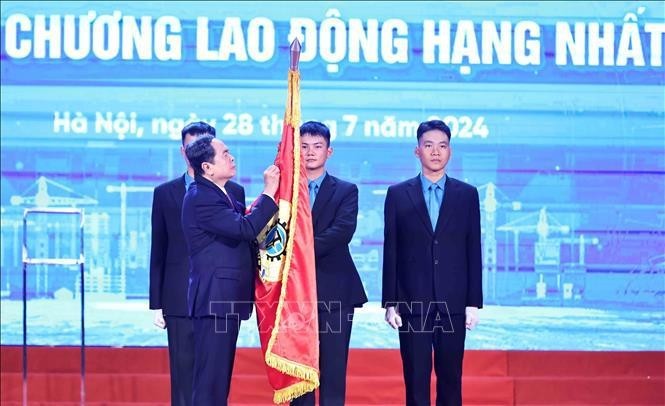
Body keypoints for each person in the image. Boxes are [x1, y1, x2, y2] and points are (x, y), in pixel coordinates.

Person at [382, 119, 482, 406]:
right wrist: (391, 302)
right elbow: (392, 250)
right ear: (417, 151)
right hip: (413, 303)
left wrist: (473, 302)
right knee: (415, 381)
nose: (435, 152)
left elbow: (472, 248)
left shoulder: (467, 195)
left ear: (450, 152)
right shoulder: (398, 194)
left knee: (451, 381)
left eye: (442, 146)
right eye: (428, 146)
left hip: (453, 304)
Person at [149, 121, 245, 406]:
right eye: (194, 146)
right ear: (184, 152)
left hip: (219, 297)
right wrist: (157, 303)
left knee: (216, 375)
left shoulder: (234, 191)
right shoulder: (166, 193)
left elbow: (240, 238)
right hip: (179, 298)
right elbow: (159, 248)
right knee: (184, 376)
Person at [182, 135, 279, 406]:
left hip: (226, 299)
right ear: (207, 168)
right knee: (210, 381)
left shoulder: (225, 192)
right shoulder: (202, 197)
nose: (231, 157)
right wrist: (270, 192)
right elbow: (244, 229)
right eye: (224, 154)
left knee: (218, 380)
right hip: (215, 300)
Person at [291, 121, 368, 406]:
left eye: (317, 147)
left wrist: (298, 250)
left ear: (329, 151)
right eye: (304, 146)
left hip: (336, 290)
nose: (310, 153)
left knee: (333, 369)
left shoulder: (346, 190)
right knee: (298, 369)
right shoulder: (284, 190)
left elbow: (342, 232)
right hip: (294, 294)